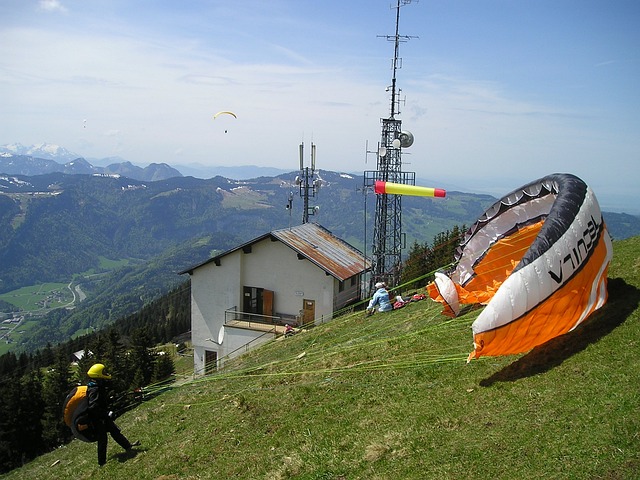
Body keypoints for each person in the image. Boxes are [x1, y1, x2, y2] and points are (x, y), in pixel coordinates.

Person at [86, 363, 139, 466]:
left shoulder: (96, 386)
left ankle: (128, 446)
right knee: (103, 439)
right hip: (98, 419)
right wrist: (105, 414)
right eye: (103, 372)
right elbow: (93, 407)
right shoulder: (94, 389)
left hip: (102, 417)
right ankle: (102, 462)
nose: (105, 374)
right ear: (98, 375)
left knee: (115, 431)